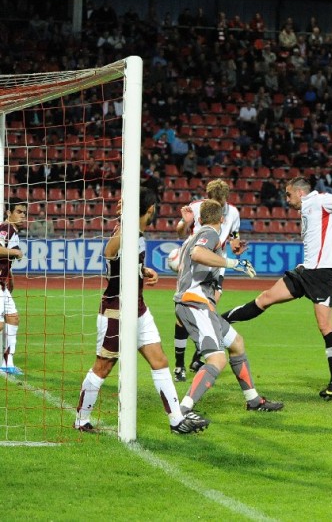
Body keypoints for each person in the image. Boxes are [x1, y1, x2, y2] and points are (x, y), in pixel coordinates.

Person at [221, 177, 332, 400]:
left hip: (323, 274)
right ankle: (219, 322)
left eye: (288, 194)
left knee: (325, 326)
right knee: (265, 298)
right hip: (306, 271)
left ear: (300, 193)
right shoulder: (307, 208)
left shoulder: (322, 200)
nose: (286, 199)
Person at [74, 190, 208, 434]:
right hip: (116, 311)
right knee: (103, 366)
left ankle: (176, 420)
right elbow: (109, 253)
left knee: (160, 361)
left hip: (138, 309)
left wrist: (144, 270)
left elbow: (123, 263)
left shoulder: (138, 235)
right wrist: (125, 223)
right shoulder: (125, 231)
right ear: (150, 209)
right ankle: (81, 420)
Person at [174, 199, 282, 415]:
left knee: (236, 343)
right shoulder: (210, 234)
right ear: (222, 219)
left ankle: (253, 400)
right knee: (217, 359)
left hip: (198, 303)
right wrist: (234, 263)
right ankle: (183, 410)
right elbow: (198, 253)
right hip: (195, 304)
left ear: (200, 218)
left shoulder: (194, 235)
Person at [173, 179, 246, 382]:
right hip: (194, 264)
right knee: (183, 313)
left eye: (221, 203)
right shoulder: (197, 207)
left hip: (216, 265)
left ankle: (199, 357)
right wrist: (184, 222)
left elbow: (234, 238)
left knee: (210, 309)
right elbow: (180, 231)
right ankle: (179, 365)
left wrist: (236, 246)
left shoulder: (233, 213)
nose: (217, 206)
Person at [0, 199, 26, 375]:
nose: (22, 215)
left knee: (13, 318)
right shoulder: (5, 228)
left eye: (24, 212)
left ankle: (7, 363)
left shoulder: (14, 232)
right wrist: (15, 252)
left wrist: (10, 276)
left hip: (3, 283)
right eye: (18, 211)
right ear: (9, 213)